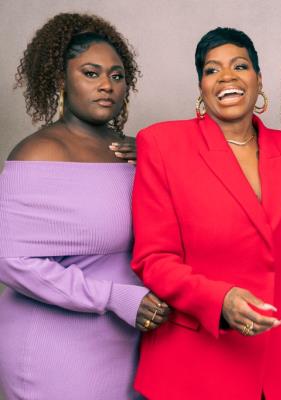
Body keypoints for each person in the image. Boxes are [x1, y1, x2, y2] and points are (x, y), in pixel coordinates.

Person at [131, 27, 281, 400]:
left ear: (258, 79)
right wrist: (219, 301)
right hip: (195, 360)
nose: (227, 78)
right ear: (201, 86)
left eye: (240, 65)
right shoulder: (162, 144)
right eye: (212, 69)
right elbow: (154, 259)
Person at [0, 13, 171, 400]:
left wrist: (156, 158)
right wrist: (114, 297)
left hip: (129, 342)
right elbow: (10, 261)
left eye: (116, 75)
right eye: (90, 73)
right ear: (61, 80)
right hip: (56, 347)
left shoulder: (132, 152)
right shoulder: (39, 152)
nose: (106, 86)